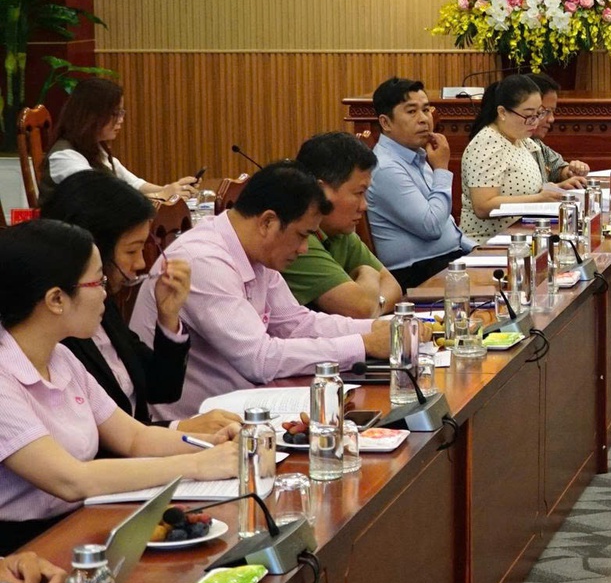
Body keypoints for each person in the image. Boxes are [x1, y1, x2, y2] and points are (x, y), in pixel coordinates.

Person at [0, 220, 239, 552]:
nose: (106, 292)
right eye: (97, 281)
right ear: (56, 299)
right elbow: (71, 480)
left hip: (84, 521)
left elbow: (134, 438)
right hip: (24, 549)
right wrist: (198, 465)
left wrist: (210, 445)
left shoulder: (61, 357)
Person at [130, 164, 394, 422]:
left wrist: (379, 330)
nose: (304, 248)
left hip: (245, 408)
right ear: (268, 222)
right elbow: (259, 359)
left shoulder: (256, 252)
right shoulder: (203, 260)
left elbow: (297, 324)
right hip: (193, 427)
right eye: (302, 235)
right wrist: (363, 344)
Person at [40, 173, 234, 434]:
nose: (142, 263)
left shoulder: (104, 305)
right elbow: (94, 439)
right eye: (131, 250)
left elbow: (161, 389)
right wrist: (179, 429)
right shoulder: (55, 329)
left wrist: (168, 317)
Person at [366, 77, 474, 291]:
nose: (424, 119)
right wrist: (441, 169)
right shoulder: (386, 168)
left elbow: (446, 224)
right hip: (417, 274)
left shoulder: (416, 154)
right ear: (386, 123)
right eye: (411, 111)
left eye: (426, 110)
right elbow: (431, 227)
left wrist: (476, 250)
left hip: (445, 261)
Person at [284, 132, 404, 319]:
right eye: (359, 193)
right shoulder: (295, 238)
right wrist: (369, 273)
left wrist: (374, 306)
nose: (364, 206)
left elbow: (393, 288)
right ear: (320, 191)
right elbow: (358, 309)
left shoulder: (339, 231)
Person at [44, 79, 194, 203]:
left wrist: (172, 189)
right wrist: (161, 195)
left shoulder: (95, 148)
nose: (121, 120)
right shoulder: (64, 156)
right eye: (115, 113)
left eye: (122, 112)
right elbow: (104, 200)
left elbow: (134, 184)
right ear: (91, 115)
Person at [459, 75, 564, 242]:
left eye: (538, 114)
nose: (535, 122)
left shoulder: (520, 140)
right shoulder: (488, 143)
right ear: (502, 112)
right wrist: (538, 199)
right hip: (488, 243)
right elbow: (483, 206)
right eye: (528, 115)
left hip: (521, 236)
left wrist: (552, 190)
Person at [526, 73, 589, 188]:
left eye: (552, 112)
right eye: (545, 111)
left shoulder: (536, 143)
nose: (551, 119)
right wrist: (558, 188)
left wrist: (572, 171)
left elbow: (557, 168)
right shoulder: (506, 145)